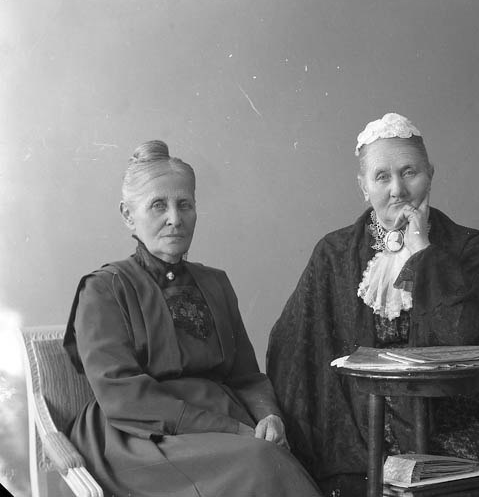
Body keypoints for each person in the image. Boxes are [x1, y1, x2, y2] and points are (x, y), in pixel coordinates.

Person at [63, 140, 321, 497]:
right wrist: (237, 431)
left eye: (184, 204)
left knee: (294, 448)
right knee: (260, 461)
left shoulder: (215, 282)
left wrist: (268, 417)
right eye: (158, 205)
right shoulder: (104, 289)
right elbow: (125, 398)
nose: (175, 218)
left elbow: (246, 377)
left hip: (224, 425)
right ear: (128, 215)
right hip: (136, 438)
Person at [267, 113, 479, 496]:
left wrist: (422, 250)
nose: (397, 190)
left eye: (409, 172)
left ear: (430, 174)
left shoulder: (468, 246)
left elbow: (465, 334)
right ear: (363, 186)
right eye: (382, 177)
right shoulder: (334, 253)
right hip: (356, 423)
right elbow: (292, 353)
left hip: (444, 415)